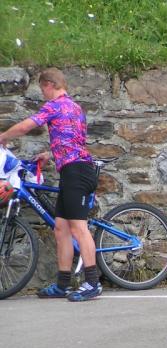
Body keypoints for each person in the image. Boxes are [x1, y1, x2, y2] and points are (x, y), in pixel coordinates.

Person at [0, 67, 102, 301]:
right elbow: (72, 141)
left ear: (48, 85)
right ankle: (62, 285)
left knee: (78, 227)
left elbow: (26, 126)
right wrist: (50, 154)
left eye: (42, 89)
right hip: (73, 170)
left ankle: (92, 283)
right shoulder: (76, 108)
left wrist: (3, 137)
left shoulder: (54, 105)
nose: (43, 94)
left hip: (77, 172)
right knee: (61, 228)